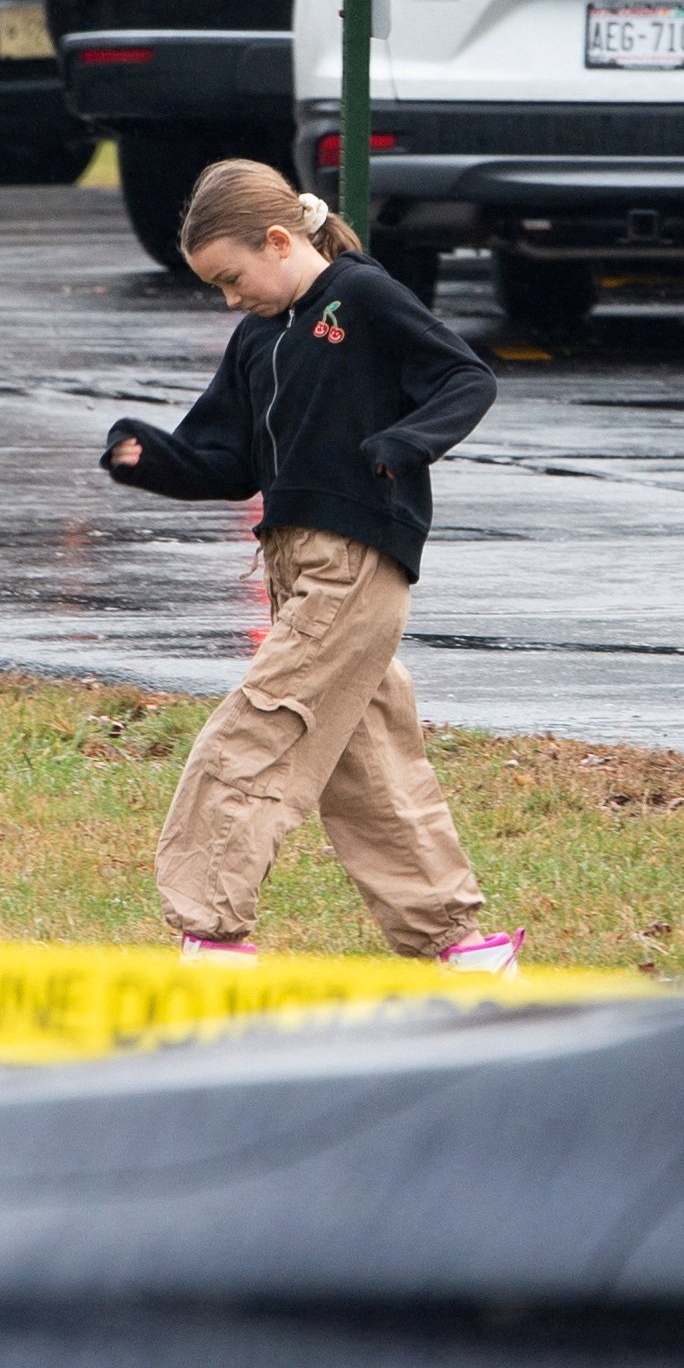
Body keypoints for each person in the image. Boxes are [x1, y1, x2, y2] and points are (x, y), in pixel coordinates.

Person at [100, 163, 517, 972]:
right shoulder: (258, 333)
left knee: (257, 727)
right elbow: (226, 460)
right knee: (367, 766)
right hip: (291, 559)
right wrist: (150, 457)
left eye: (232, 277)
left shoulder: (361, 298)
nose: (229, 298)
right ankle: (462, 950)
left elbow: (465, 378)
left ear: (281, 240)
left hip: (355, 559)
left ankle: (209, 936)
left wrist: (403, 443)